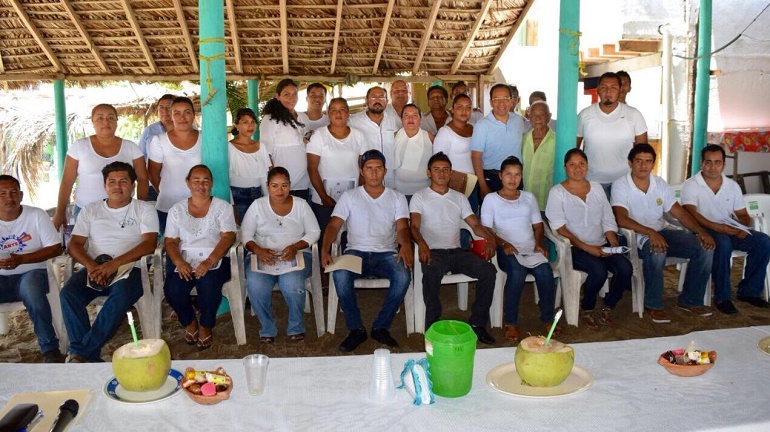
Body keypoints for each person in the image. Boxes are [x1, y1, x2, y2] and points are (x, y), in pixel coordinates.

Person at [60, 162, 158, 363]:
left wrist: (114, 264)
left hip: (130, 270)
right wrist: (91, 265)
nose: (117, 186)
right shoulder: (91, 210)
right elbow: (75, 245)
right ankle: (88, 355)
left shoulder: (144, 209)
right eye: (111, 182)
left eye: (123, 181)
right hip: (95, 268)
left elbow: (149, 244)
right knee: (68, 293)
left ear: (133, 185)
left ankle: (81, 353)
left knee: (121, 295)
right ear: (104, 185)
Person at [612, 144, 715, 323]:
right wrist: (650, 232)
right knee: (657, 250)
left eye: (648, 161)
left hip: (661, 230)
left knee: (704, 246)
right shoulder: (621, 185)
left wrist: (700, 231)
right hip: (634, 235)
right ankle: (653, 304)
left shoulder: (659, 183)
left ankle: (690, 300)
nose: (643, 166)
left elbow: (680, 213)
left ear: (653, 163)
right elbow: (621, 219)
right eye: (638, 161)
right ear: (630, 163)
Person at [321, 150, 413, 352]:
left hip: (386, 253)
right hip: (355, 253)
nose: (374, 173)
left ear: (385, 171)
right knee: (340, 274)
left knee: (403, 275)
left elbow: (403, 228)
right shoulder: (350, 196)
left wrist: (405, 244)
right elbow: (333, 226)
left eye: (378, 168)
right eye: (369, 168)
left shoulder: (396, 197)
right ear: (361, 171)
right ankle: (356, 329)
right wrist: (325, 249)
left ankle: (381, 326)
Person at [410, 152, 497, 343]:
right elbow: (414, 227)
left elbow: (474, 225)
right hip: (433, 252)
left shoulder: (459, 198)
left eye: (445, 170)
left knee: (488, 271)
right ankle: (433, 326)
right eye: (436, 170)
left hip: (457, 252)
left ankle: (478, 324)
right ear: (428, 173)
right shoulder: (419, 197)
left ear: (451, 174)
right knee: (431, 273)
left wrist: (490, 238)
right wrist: (422, 244)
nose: (441, 174)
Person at [545, 149, 633, 328]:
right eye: (572, 165)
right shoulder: (557, 192)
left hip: (601, 244)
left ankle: (609, 304)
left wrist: (613, 244)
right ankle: (588, 307)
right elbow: (559, 228)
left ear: (587, 166)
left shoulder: (597, 188)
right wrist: (586, 247)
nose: (577, 168)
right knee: (598, 271)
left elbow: (607, 218)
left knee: (625, 268)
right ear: (565, 168)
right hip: (574, 248)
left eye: (581, 164)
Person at [681, 144, 770, 314]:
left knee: (763, 241)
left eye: (717, 162)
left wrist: (744, 226)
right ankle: (723, 297)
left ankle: (749, 292)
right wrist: (717, 227)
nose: (713, 167)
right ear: (701, 163)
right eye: (708, 162)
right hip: (702, 231)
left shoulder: (732, 185)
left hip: (728, 230)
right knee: (722, 243)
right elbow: (690, 213)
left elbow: (743, 214)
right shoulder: (691, 185)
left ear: (724, 165)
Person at [480, 156, 558, 342]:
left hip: (530, 247)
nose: (513, 179)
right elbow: (486, 230)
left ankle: (548, 319)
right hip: (505, 248)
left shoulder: (528, 197)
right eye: (508, 174)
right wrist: (503, 243)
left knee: (545, 271)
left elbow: (538, 226)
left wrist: (539, 243)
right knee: (517, 271)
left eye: (517, 175)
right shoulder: (491, 199)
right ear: (500, 175)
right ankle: (511, 322)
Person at [242, 167, 321, 343]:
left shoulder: (300, 205)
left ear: (290, 185)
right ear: (267, 186)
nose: (280, 190)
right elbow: (245, 234)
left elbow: (314, 231)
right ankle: (267, 328)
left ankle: (296, 326)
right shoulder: (258, 206)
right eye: (275, 186)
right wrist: (258, 250)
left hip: (297, 255)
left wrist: (295, 247)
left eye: (284, 185)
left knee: (292, 283)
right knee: (255, 284)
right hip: (263, 255)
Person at [163, 165, 236, 351]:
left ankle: (205, 325)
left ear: (211, 183)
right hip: (185, 258)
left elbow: (228, 236)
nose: (201, 185)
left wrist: (209, 261)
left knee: (208, 284)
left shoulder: (222, 207)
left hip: (216, 259)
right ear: (188, 183)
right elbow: (170, 241)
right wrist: (179, 262)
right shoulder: (176, 210)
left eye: (205, 181)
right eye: (196, 181)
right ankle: (189, 322)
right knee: (173, 289)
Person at [53, 104, 148, 229]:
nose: (105, 122)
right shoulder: (80, 146)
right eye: (100, 118)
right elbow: (67, 181)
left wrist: (139, 207)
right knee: (85, 247)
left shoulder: (131, 147)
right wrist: (60, 212)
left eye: (110, 118)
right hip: (85, 210)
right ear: (92, 122)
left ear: (116, 121)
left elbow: (143, 179)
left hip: (123, 211)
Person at [0, 175, 64, 362]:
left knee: (32, 291)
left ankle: (50, 349)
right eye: (2, 194)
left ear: (21, 195)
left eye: (13, 193)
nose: (9, 198)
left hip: (32, 271)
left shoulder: (36, 215)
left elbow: (55, 247)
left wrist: (22, 259)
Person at [577, 72, 648, 198]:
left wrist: (640, 180)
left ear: (620, 90)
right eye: (604, 87)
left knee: (621, 217)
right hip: (593, 182)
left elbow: (643, 153)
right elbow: (574, 149)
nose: (608, 91)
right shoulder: (584, 115)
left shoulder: (634, 115)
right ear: (598, 90)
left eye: (613, 87)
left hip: (624, 182)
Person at [307, 97, 368, 235]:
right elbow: (312, 168)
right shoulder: (319, 135)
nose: (338, 113)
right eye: (333, 110)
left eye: (342, 110)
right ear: (328, 114)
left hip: (352, 198)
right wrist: (324, 196)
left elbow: (363, 168)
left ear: (348, 113)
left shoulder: (359, 136)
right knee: (326, 238)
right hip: (323, 200)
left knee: (349, 238)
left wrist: (358, 194)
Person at [147, 96, 202, 234]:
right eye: (177, 113)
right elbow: (153, 174)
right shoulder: (159, 140)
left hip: (200, 206)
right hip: (168, 205)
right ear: (171, 116)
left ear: (194, 115)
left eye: (187, 112)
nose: (182, 117)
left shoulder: (205, 138)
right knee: (170, 249)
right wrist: (167, 191)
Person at [471, 83, 527, 198]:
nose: (501, 103)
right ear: (491, 102)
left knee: (516, 213)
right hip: (492, 178)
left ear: (511, 101)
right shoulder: (482, 125)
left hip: (515, 178)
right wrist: (483, 185)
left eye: (505, 98)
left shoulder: (519, 121)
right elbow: (476, 157)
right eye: (496, 99)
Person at [260, 79, 311, 200]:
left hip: (303, 182)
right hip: (283, 185)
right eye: (286, 94)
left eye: (295, 94)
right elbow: (266, 154)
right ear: (277, 96)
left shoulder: (303, 117)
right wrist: (275, 182)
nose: (292, 98)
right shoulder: (270, 119)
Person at [434, 93, 478, 211]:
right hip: (454, 184)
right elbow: (438, 163)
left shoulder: (475, 128)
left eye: (468, 107)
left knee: (471, 221)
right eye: (460, 107)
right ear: (452, 110)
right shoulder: (445, 132)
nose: (464, 111)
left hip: (473, 183)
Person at [349, 86, 399, 188]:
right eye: (373, 97)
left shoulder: (393, 120)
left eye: (381, 97)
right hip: (365, 181)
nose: (377, 100)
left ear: (386, 101)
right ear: (366, 100)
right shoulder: (353, 121)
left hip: (391, 180)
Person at [229, 107, 272, 223]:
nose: (250, 126)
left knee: (260, 229)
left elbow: (264, 175)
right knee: (242, 232)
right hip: (238, 195)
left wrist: (268, 198)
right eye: (245, 122)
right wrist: (232, 205)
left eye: (253, 122)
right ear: (236, 125)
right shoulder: (229, 147)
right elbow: (226, 178)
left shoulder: (261, 146)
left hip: (259, 194)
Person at [138, 94, 175, 201]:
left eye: (168, 107)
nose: (164, 111)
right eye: (161, 108)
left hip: (179, 184)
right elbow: (141, 156)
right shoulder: (149, 131)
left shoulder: (188, 129)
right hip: (152, 184)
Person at [394, 104, 433, 199]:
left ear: (420, 119)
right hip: (399, 191)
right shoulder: (396, 135)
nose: (410, 119)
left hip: (424, 191)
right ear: (402, 119)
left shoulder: (429, 137)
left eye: (415, 115)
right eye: (406, 115)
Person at [522, 101, 556, 211]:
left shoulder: (557, 141)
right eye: (534, 115)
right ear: (529, 117)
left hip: (548, 201)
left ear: (549, 116)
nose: (538, 118)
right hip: (525, 200)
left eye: (542, 114)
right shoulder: (523, 139)